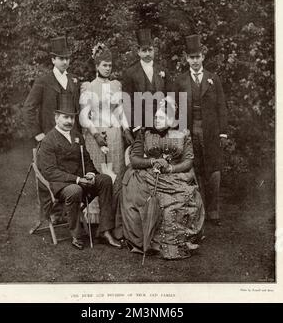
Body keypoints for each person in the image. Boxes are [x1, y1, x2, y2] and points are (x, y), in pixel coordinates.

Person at [121, 97, 204, 260]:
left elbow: (188, 160)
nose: (156, 120)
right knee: (154, 202)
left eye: (161, 117)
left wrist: (172, 168)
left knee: (186, 198)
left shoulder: (183, 133)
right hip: (148, 174)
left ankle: (183, 240)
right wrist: (152, 161)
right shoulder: (145, 133)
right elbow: (135, 160)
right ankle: (154, 244)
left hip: (175, 174)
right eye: (155, 117)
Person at [37, 93, 121, 250]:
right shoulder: (48, 140)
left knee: (105, 180)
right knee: (74, 190)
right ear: (56, 118)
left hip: (81, 180)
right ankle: (76, 234)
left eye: (72, 118)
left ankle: (105, 230)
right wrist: (76, 179)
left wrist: (90, 173)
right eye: (65, 117)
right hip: (61, 185)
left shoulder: (77, 137)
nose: (69, 121)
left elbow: (87, 160)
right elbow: (49, 172)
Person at [23, 36, 80, 224]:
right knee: (50, 171)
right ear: (53, 59)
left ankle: (69, 210)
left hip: (70, 136)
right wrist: (38, 133)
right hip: (49, 137)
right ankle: (52, 213)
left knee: (71, 169)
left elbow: (75, 111)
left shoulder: (73, 80)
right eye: (60, 58)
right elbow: (28, 108)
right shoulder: (43, 81)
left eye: (67, 58)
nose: (65, 61)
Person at [173, 34, 228, 226]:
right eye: (191, 57)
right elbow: (176, 108)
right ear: (186, 59)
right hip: (189, 129)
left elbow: (222, 106)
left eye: (198, 57)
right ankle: (196, 210)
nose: (195, 61)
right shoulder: (180, 81)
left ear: (202, 57)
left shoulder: (213, 79)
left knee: (212, 170)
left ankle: (213, 211)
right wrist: (180, 132)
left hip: (211, 130)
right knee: (192, 167)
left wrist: (223, 132)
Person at [79, 43, 134, 227]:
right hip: (96, 135)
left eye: (110, 65)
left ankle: (114, 218)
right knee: (101, 173)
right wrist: (95, 135)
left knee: (116, 172)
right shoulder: (88, 87)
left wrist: (126, 129)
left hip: (115, 134)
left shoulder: (115, 85)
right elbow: (84, 116)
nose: (108, 68)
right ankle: (97, 219)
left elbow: (119, 110)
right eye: (104, 65)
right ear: (96, 66)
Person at [122, 28, 168, 131]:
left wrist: (165, 117)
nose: (147, 54)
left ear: (154, 50)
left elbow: (170, 97)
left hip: (161, 124)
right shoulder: (130, 73)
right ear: (138, 52)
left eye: (150, 50)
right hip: (140, 125)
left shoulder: (162, 70)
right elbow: (127, 102)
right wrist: (135, 124)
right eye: (144, 50)